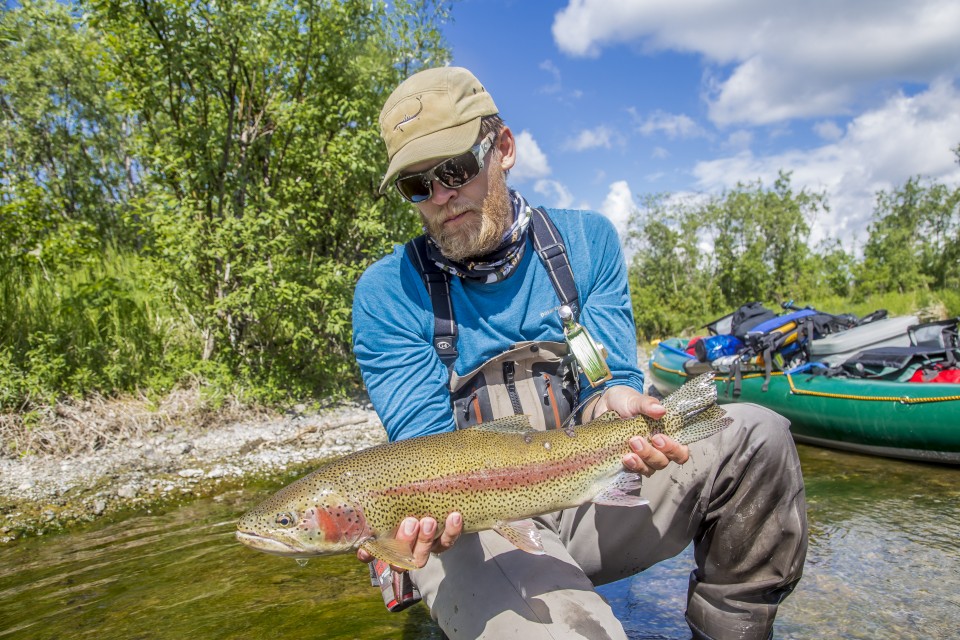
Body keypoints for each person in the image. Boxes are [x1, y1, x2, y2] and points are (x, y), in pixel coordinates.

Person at [352, 66, 807, 640]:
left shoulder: (585, 243)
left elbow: (606, 380)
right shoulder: (387, 293)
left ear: (504, 149)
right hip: (476, 523)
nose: (442, 197)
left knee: (757, 435)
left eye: (455, 170)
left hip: (585, 482)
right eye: (418, 186)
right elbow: (423, 449)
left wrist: (619, 402)